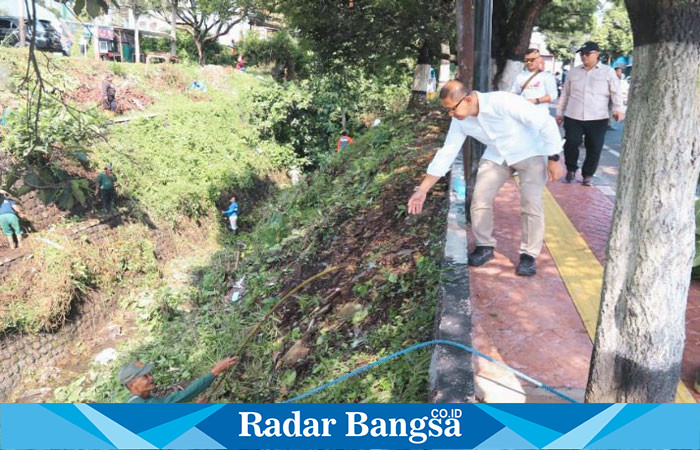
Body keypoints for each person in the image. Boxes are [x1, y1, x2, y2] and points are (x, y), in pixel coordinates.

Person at [407, 80, 564, 276]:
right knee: (479, 198)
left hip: (529, 151)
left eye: (452, 109)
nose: (451, 114)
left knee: (531, 203)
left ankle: (528, 255)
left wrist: (554, 158)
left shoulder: (503, 102)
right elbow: (447, 153)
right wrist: (422, 190)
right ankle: (484, 246)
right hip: (497, 155)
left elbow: (545, 122)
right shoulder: (459, 121)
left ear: (469, 99)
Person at [556, 42, 625, 186]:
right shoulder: (574, 72)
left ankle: (588, 174)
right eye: (582, 54)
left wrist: (618, 109)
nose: (584, 57)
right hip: (573, 115)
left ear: (597, 54)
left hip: (598, 117)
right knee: (571, 143)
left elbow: (616, 93)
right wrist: (559, 113)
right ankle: (571, 169)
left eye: (587, 54)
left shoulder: (608, 72)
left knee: (594, 146)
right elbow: (565, 94)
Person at [120, 357, 238, 403]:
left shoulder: (137, 399)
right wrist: (215, 372)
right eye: (145, 377)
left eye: (149, 374)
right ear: (132, 385)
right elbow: (183, 396)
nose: (151, 378)